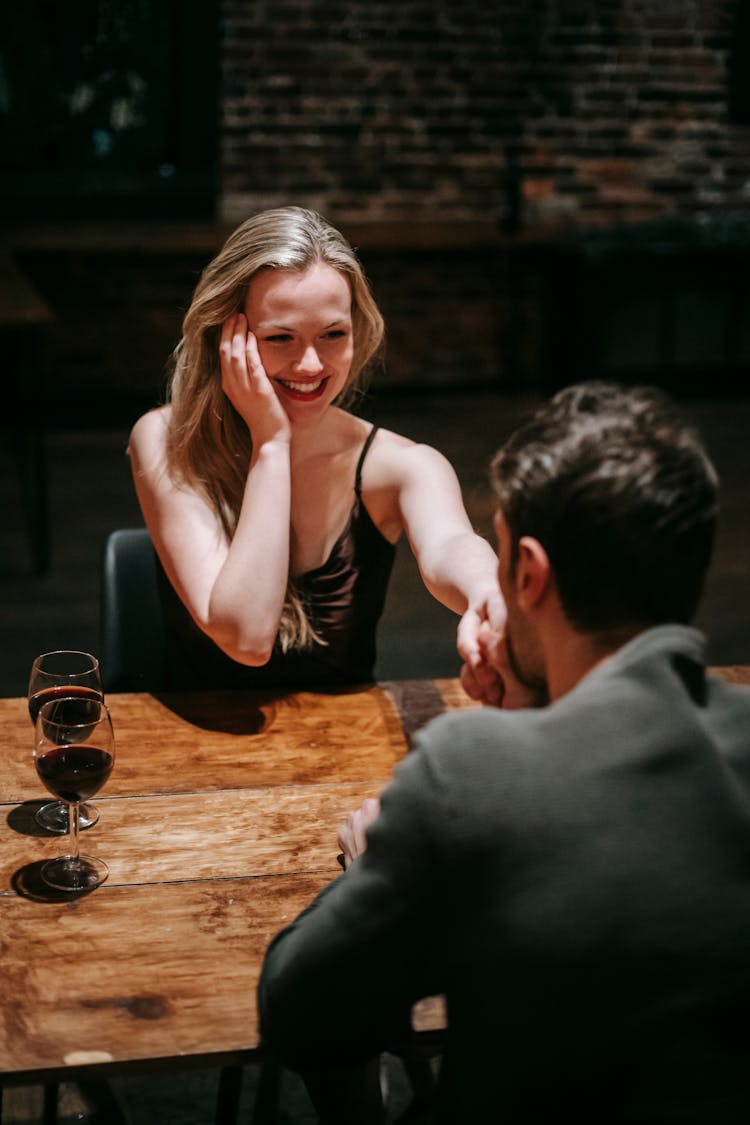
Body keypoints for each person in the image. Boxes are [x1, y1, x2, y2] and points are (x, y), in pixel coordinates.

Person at [258, 380, 750, 1123]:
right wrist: (530, 704)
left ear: (529, 572)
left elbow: (297, 1012)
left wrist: (378, 861)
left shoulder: (473, 775)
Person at [128, 206, 504, 692]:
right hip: (194, 747)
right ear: (225, 336)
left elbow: (452, 545)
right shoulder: (163, 439)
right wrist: (271, 445)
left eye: (333, 335)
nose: (310, 365)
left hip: (346, 751)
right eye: (280, 337)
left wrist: (488, 593)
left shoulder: (403, 464)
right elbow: (247, 637)